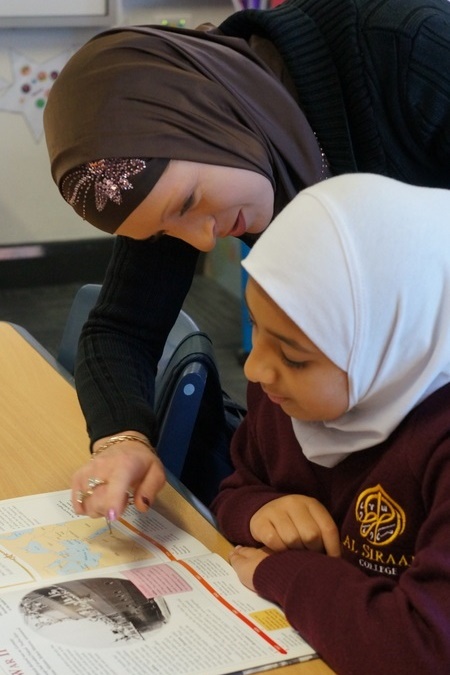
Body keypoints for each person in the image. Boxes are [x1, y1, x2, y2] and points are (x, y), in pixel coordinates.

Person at [43, 0, 450, 522]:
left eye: (187, 204)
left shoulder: (412, 50)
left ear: (206, 116)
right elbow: (120, 328)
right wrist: (121, 440)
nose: (204, 240)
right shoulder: (180, 157)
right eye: (167, 230)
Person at [211, 173, 450, 675]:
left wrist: (287, 573)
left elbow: (422, 649)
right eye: (256, 328)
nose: (254, 370)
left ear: (389, 348)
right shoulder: (282, 396)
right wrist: (261, 510)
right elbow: (236, 487)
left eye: (295, 357)